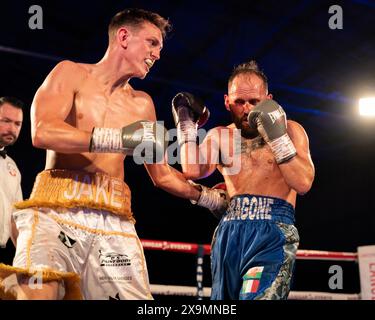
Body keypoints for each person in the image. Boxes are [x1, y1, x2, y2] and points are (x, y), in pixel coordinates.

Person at [0, 8, 225, 300]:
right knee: (38, 293)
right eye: (152, 42)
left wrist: (209, 197)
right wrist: (118, 139)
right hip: (56, 207)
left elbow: (162, 175)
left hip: (113, 217)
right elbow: (42, 131)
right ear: (123, 37)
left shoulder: (142, 105)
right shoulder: (70, 73)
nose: (157, 54)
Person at [171, 60, 315, 300]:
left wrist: (277, 139)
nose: (247, 109)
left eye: (254, 102)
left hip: (273, 232)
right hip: (230, 233)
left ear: (268, 100)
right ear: (227, 101)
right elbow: (192, 170)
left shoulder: (291, 130)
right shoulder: (219, 135)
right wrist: (186, 124)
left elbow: (303, 184)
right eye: (239, 102)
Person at [0, 97, 23, 251]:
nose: (12, 129)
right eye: (6, 121)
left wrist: (25, 259)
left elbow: (15, 219)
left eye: (17, 124)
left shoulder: (12, 167)